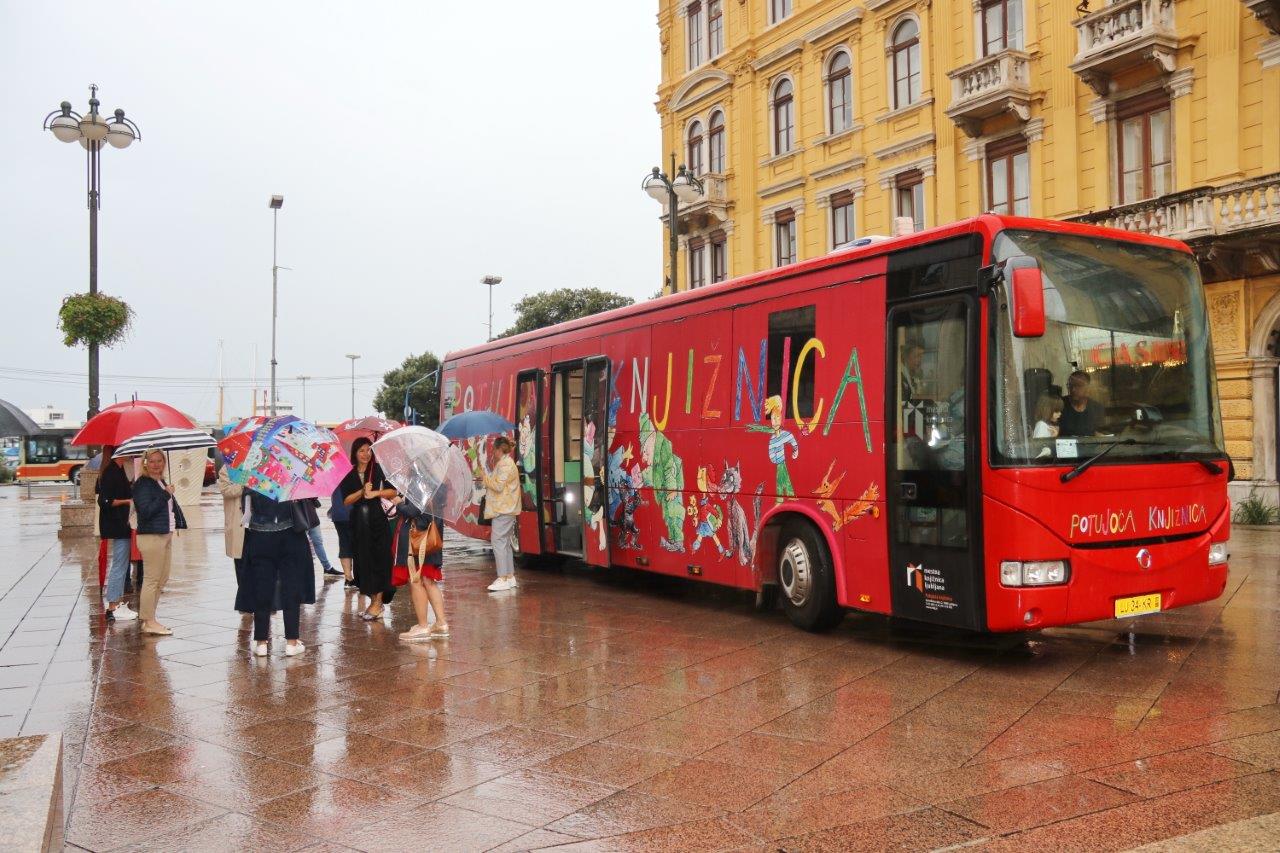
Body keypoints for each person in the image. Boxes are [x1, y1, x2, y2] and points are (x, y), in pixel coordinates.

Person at [241, 491, 315, 657]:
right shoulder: (291, 474)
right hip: (290, 536)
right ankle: (291, 642)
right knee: (291, 587)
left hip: (260, 536)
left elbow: (245, 511)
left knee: (262, 588)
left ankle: (261, 642)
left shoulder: (252, 476)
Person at [131, 449, 186, 636]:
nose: (156, 465)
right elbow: (145, 511)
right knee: (152, 580)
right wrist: (165, 494)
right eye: (152, 461)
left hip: (165, 534)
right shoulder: (142, 484)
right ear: (145, 463)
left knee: (162, 579)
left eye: (160, 461)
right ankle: (148, 620)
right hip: (151, 536)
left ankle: (150, 618)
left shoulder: (160, 481)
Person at [341, 438, 397, 619]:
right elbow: (346, 501)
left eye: (369, 450)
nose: (366, 454)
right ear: (355, 453)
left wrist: (376, 493)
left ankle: (377, 603)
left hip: (378, 522)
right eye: (362, 451)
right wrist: (361, 491)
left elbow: (393, 491)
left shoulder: (378, 470)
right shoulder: (348, 474)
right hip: (359, 524)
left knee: (380, 561)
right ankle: (374, 602)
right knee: (364, 562)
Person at [393, 495, 449, 641]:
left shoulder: (419, 484)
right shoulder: (435, 484)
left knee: (415, 579)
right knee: (428, 580)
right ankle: (441, 623)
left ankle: (423, 626)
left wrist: (399, 504)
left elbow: (412, 511)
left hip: (419, 538)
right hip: (431, 536)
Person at [95, 445, 136, 622]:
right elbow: (104, 501)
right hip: (117, 524)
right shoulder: (111, 472)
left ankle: (116, 602)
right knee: (119, 565)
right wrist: (127, 500)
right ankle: (112, 605)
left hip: (121, 523)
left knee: (121, 563)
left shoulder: (117, 470)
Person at [478, 436, 520, 592]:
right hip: (507, 509)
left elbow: (498, 486)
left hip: (503, 509)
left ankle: (502, 577)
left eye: (493, 450)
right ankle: (509, 576)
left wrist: (485, 478)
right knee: (505, 543)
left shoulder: (505, 465)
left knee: (498, 542)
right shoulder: (506, 463)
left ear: (498, 449)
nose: (492, 453)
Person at [216, 461, 251, 614]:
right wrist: (245, 483)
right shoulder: (228, 468)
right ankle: (245, 601)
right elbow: (226, 491)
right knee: (242, 563)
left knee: (261, 562)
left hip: (259, 523)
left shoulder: (260, 466)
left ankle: (265, 599)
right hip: (239, 523)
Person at [1059, 370, 1105, 437]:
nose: (1073, 389)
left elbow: (1100, 433)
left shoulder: (1097, 408)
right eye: (1070, 386)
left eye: (1078, 386)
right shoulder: (1060, 404)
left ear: (1088, 387)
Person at [305, 499, 341, 578]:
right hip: (299, 519)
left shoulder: (308, 487)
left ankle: (327, 567)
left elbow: (315, 498)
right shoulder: (288, 490)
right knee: (300, 545)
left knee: (318, 542)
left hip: (312, 517)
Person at [328, 484, 356, 588]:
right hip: (354, 512)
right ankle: (360, 578)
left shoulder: (334, 472)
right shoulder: (354, 471)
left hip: (338, 512)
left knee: (344, 543)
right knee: (359, 545)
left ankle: (348, 579)